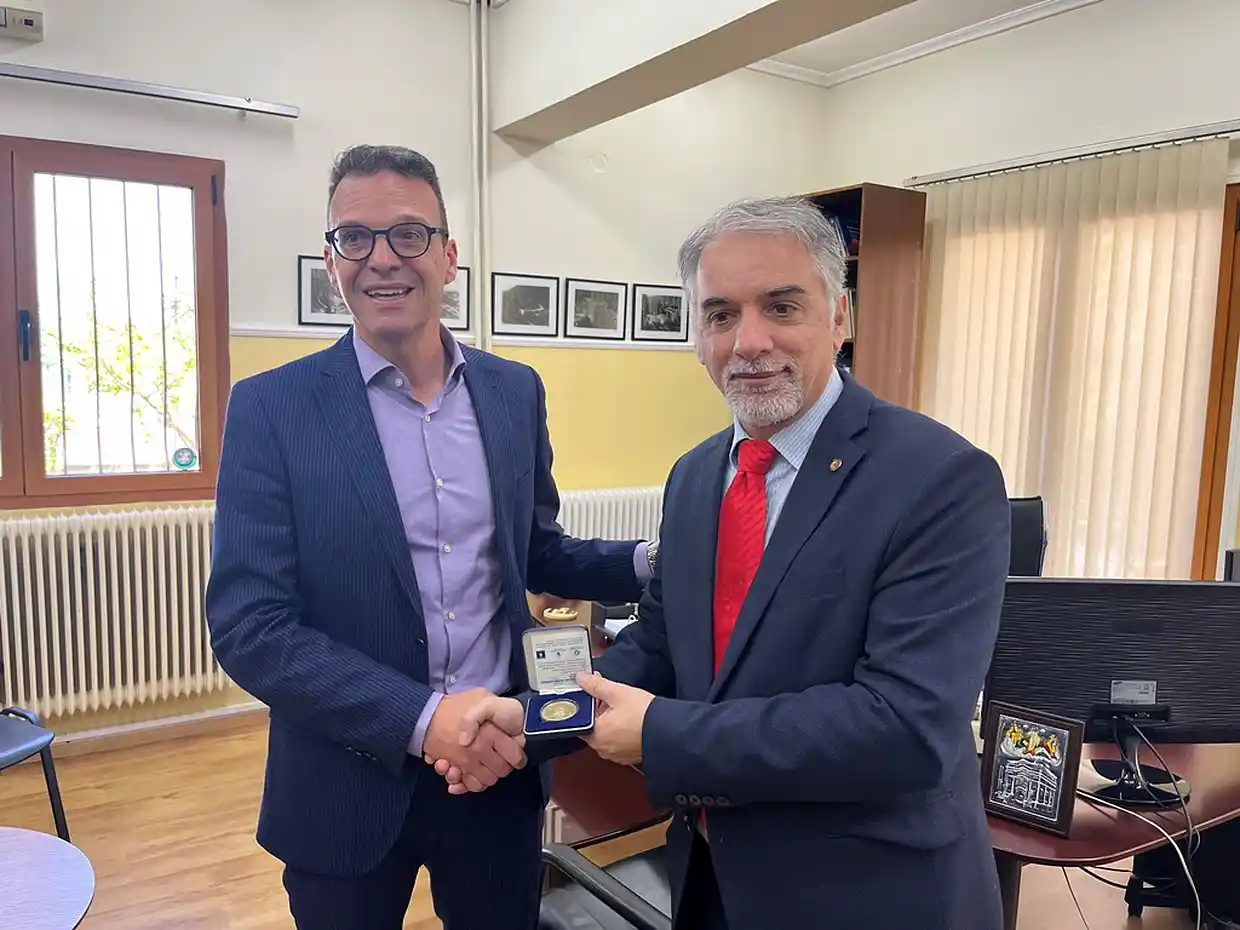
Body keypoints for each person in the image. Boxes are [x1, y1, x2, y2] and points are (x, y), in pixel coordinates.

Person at [431, 196, 1011, 929]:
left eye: (781, 307)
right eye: (721, 314)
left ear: (839, 316)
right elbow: (659, 642)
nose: (749, 341)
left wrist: (661, 736)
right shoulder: (697, 476)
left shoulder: (939, 479)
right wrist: (533, 714)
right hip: (711, 881)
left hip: (867, 895)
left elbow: (905, 728)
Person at [204, 143, 655, 930]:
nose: (382, 258)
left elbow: (535, 551)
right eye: (355, 237)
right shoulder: (271, 409)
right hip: (344, 780)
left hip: (500, 767)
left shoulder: (513, 392)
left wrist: (653, 560)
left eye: (409, 233)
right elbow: (252, 627)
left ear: (449, 257)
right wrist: (422, 719)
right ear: (331, 261)